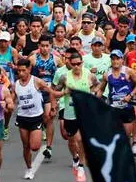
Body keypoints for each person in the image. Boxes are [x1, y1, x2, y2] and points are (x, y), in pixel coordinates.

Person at [55, 48, 100, 182]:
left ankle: (81, 165)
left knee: (80, 139)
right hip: (70, 113)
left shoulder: (89, 75)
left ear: (82, 62)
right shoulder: (64, 77)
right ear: (69, 63)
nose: (76, 66)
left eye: (78, 63)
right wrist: (64, 93)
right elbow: (55, 92)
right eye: (73, 64)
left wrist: (93, 94)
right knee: (71, 140)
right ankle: (75, 158)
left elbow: (98, 86)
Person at [13, 58, 60, 180]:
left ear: (29, 69)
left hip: (36, 118)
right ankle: (29, 169)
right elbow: (12, 100)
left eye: (23, 70)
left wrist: (53, 107)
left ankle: (42, 132)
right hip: (22, 118)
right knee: (26, 146)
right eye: (19, 71)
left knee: (35, 146)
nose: (21, 73)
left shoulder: (37, 82)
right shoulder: (16, 84)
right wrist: (7, 105)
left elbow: (51, 92)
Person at [96, 50, 136, 151]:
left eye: (118, 59)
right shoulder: (107, 74)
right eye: (113, 59)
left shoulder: (128, 71)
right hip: (113, 108)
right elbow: (101, 89)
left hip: (126, 108)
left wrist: (130, 95)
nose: (115, 61)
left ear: (122, 60)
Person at [27, 34, 57, 159]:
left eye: (47, 46)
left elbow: (61, 73)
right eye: (42, 46)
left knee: (49, 117)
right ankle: (39, 130)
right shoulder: (33, 59)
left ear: (51, 46)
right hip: (36, 92)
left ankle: (49, 147)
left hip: (49, 92)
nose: (45, 48)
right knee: (39, 117)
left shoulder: (56, 60)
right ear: (39, 46)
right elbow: (26, 72)